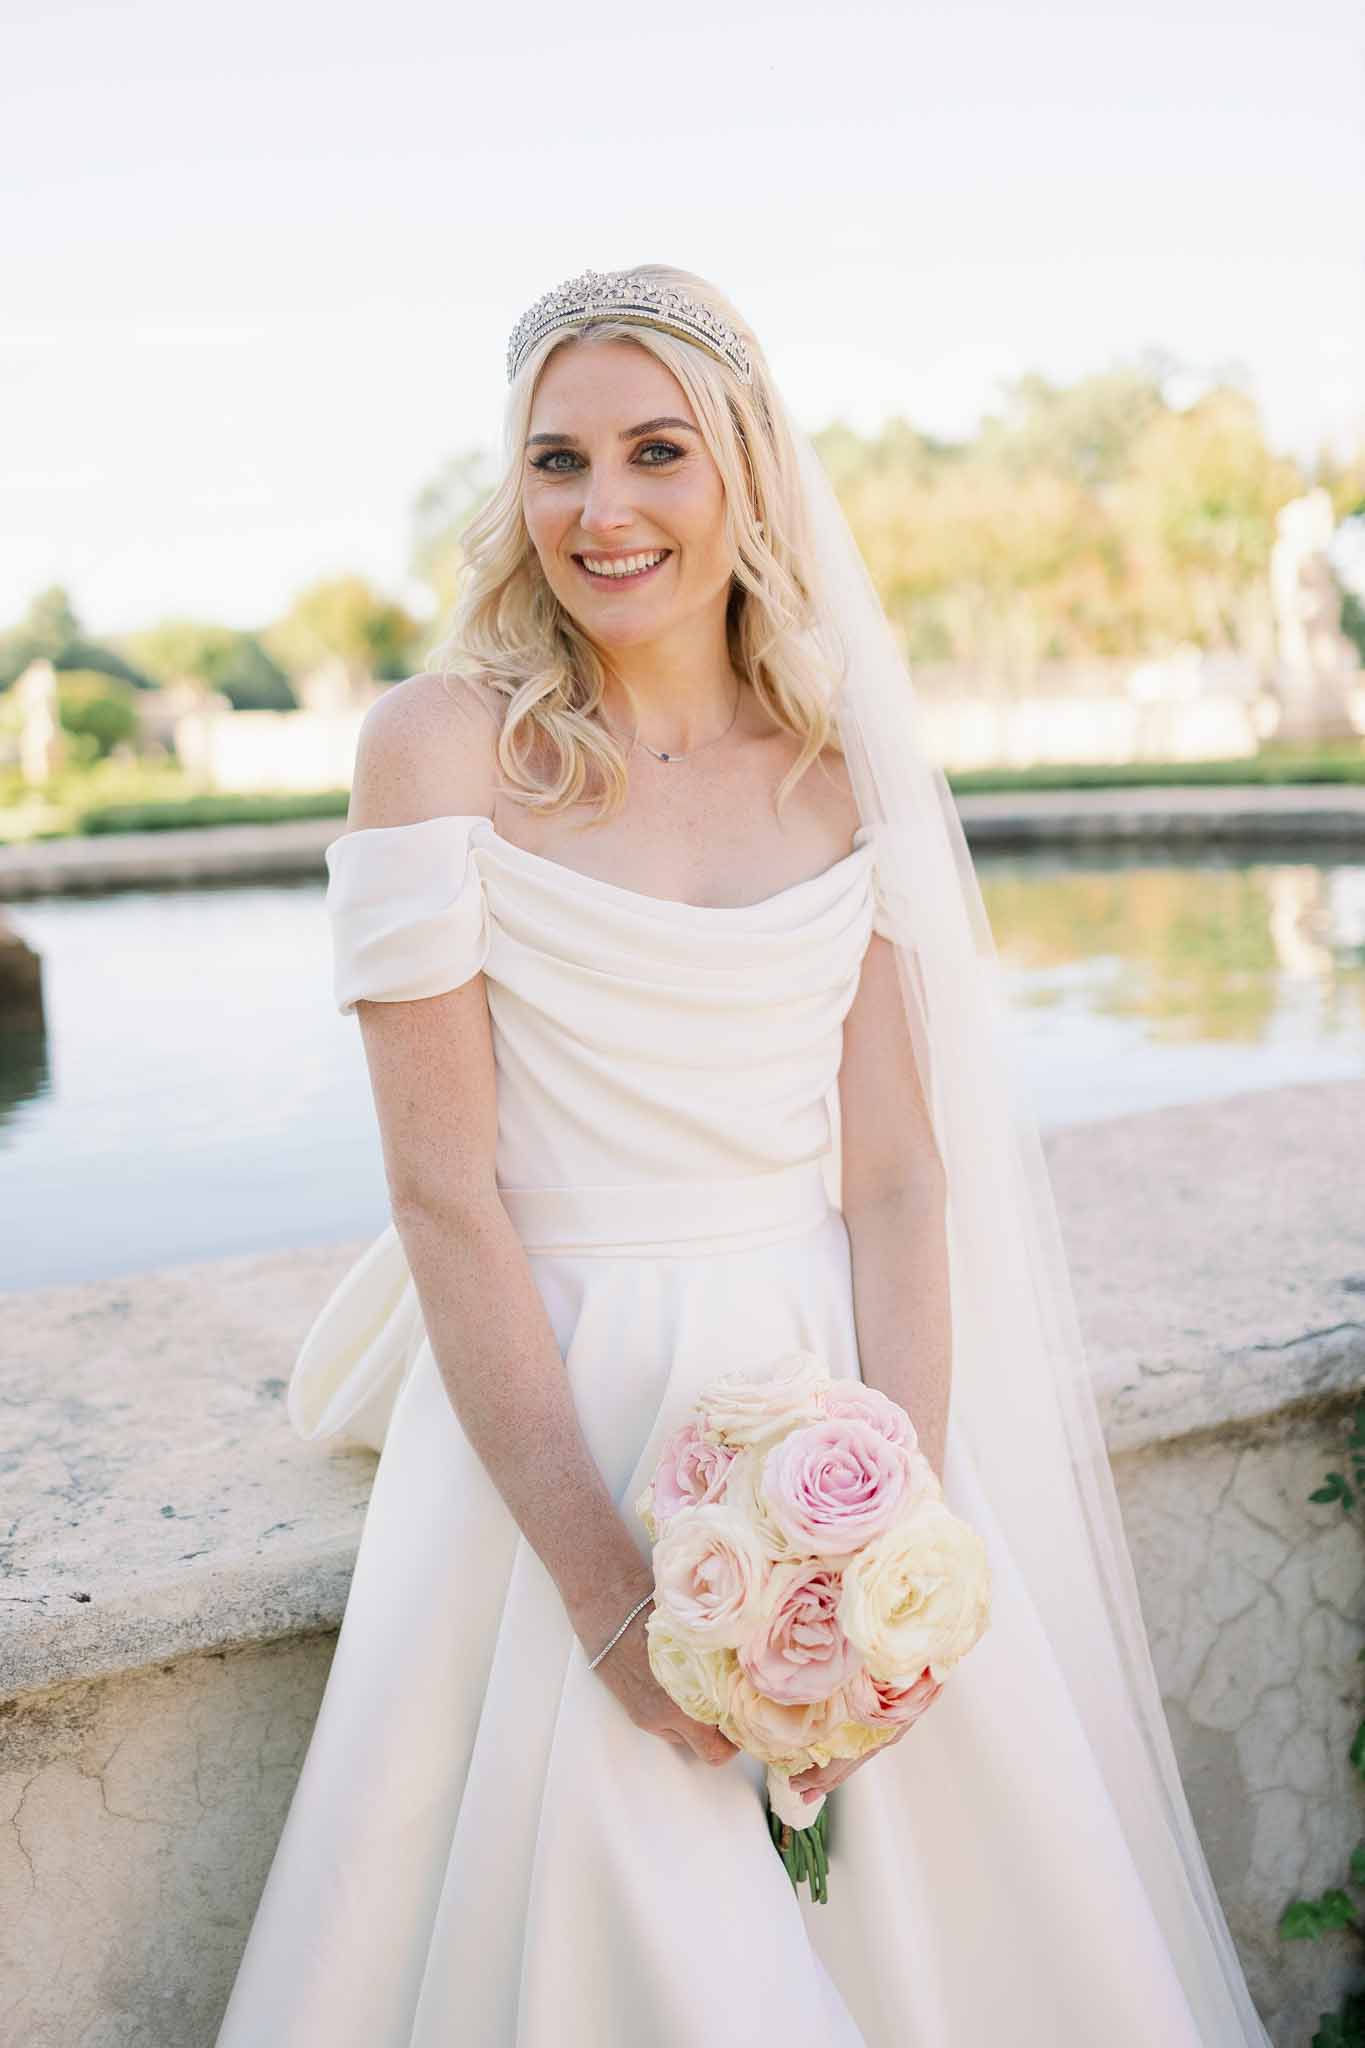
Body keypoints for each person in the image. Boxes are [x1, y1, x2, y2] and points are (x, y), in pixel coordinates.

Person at [214, 265, 1273, 2045]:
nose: (600, 509)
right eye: (556, 461)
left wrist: (883, 1552)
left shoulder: (839, 765)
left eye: (654, 451)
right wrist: (608, 1591)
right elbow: (443, 1194)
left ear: (747, 474)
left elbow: (896, 1181)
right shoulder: (437, 752)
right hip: (548, 1398)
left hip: (820, 1404)